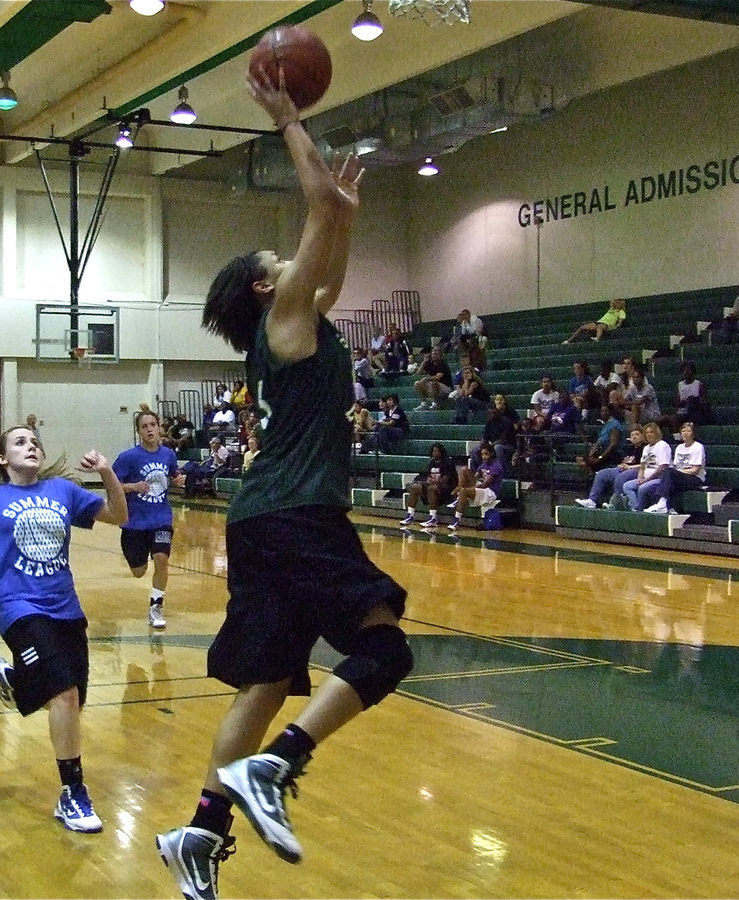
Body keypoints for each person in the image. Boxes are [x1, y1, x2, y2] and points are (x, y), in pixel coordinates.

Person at [157, 68, 411, 900]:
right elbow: (316, 215)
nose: (293, 262)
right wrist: (291, 121)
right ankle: (283, 764)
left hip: (260, 519)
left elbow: (328, 235)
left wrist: (340, 209)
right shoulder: (283, 317)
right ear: (268, 286)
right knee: (385, 647)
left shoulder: (303, 321)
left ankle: (200, 830)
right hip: (299, 514)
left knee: (265, 684)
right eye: (280, 262)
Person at [0, 424, 128, 834]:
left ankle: (14, 677)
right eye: (20, 442)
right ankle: (73, 792)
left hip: (67, 610)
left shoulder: (63, 492)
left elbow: (121, 516)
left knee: (68, 704)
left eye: (35, 442)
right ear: (3, 459)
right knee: (65, 694)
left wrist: (107, 473)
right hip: (18, 608)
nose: (31, 446)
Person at [112, 408, 184, 630]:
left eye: (153, 425)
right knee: (139, 571)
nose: (150, 429)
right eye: (145, 426)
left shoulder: (168, 455)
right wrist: (133, 486)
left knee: (162, 559)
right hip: (135, 523)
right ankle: (136, 559)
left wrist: (179, 480)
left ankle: (156, 606)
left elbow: (174, 476)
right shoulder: (128, 458)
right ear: (139, 432)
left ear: (159, 427)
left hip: (161, 518)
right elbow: (112, 487)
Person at [575, 425, 645, 508]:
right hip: (623, 469)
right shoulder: (629, 448)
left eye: (637, 434)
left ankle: (615, 503)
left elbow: (644, 465)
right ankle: (592, 501)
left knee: (621, 477)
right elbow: (625, 461)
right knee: (602, 473)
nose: (634, 437)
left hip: (635, 471)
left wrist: (629, 467)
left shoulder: (645, 448)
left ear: (642, 436)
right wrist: (621, 465)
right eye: (632, 435)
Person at [645, 422, 706, 514]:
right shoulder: (679, 447)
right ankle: (668, 507)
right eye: (683, 431)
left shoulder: (698, 447)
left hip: (695, 478)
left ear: (693, 433)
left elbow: (695, 470)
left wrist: (679, 472)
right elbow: (676, 466)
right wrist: (678, 472)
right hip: (681, 476)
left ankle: (662, 504)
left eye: (688, 431)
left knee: (669, 472)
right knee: (667, 477)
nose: (685, 433)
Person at [449, 442, 503, 530]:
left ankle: (456, 521)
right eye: (482, 454)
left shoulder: (496, 465)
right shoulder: (483, 464)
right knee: (464, 470)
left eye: (486, 454)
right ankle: (459, 493)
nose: (484, 457)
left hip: (490, 492)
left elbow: (485, 484)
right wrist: (469, 483)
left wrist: (468, 488)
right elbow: (475, 477)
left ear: (492, 453)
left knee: (464, 491)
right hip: (481, 487)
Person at [399, 443, 455, 528]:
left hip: (447, 489)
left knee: (431, 488)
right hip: (434, 486)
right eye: (433, 451)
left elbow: (445, 480)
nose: (434, 453)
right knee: (415, 487)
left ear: (441, 452)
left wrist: (434, 481)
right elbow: (428, 477)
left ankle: (433, 518)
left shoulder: (448, 462)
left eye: (436, 451)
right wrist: (429, 481)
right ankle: (410, 515)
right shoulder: (431, 463)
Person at [622, 422, 672, 512]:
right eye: (647, 432)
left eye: (651, 432)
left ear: (656, 433)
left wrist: (647, 480)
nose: (649, 434)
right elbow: (642, 466)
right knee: (627, 486)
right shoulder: (646, 448)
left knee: (643, 488)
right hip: (645, 478)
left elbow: (662, 467)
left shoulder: (662, 445)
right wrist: (640, 477)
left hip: (658, 479)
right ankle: (635, 508)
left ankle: (639, 510)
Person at [664, 361, 711, 435]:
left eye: (688, 370)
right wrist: (681, 402)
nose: (686, 372)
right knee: (673, 419)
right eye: (684, 371)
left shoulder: (699, 385)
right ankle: (678, 438)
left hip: (696, 411)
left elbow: (704, 402)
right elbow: (676, 402)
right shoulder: (679, 385)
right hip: (682, 411)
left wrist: (694, 400)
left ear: (693, 372)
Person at [413, 345, 449, 410]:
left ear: (440, 354)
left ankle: (435, 403)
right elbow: (418, 372)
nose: (433, 355)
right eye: (432, 353)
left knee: (433, 383)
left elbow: (438, 377)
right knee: (417, 383)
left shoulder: (443, 364)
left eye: (436, 353)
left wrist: (427, 378)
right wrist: (424, 361)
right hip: (433, 388)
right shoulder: (430, 363)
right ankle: (423, 403)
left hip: (446, 388)